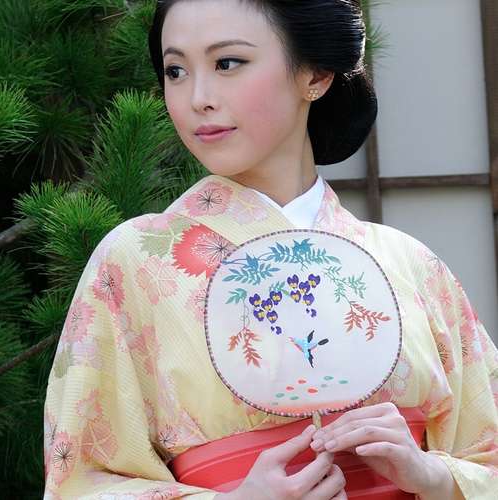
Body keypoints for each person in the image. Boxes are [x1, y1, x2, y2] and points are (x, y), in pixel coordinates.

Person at [43, 1, 498, 498]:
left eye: (227, 63)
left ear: (315, 75)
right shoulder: (135, 260)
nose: (198, 98)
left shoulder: (411, 265)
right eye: (176, 71)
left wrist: (435, 477)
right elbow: (81, 481)